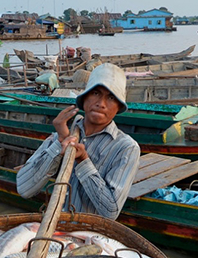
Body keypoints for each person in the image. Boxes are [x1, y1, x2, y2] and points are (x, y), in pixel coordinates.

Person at [16, 63, 140, 219]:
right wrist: (59, 144)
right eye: (95, 93)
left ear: (118, 106)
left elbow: (110, 212)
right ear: (85, 98)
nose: (101, 103)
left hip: (87, 236)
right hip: (54, 227)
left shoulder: (126, 148)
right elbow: (24, 189)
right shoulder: (63, 134)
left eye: (110, 97)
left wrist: (83, 160)